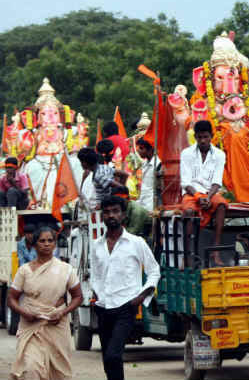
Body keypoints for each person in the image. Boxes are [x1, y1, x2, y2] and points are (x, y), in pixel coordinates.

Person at [91, 196, 160, 380]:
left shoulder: (136, 243)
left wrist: (140, 298)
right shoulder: (96, 245)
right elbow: (95, 274)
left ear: (123, 215)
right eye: (106, 212)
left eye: (115, 211)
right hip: (103, 307)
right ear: (102, 216)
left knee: (114, 354)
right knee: (109, 359)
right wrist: (96, 295)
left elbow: (154, 271)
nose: (111, 215)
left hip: (126, 308)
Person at [8, 227, 83, 380]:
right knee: (31, 369)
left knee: (58, 373)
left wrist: (63, 312)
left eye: (50, 241)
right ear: (34, 244)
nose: (46, 244)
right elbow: (11, 298)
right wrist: (25, 313)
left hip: (56, 326)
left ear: (55, 244)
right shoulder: (24, 271)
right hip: (31, 328)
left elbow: (78, 297)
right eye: (42, 241)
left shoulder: (66, 269)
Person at [180, 120, 227, 261]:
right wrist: (198, 197)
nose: (202, 140)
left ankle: (215, 251)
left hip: (210, 194)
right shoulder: (186, 153)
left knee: (221, 205)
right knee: (188, 212)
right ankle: (188, 255)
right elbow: (186, 182)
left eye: (205, 137)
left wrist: (207, 197)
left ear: (211, 136)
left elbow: (217, 182)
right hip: (191, 194)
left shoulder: (219, 154)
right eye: (199, 137)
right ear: (195, 137)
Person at [135, 138, 161, 212]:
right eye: (138, 148)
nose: (138, 151)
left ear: (150, 150)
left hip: (152, 202)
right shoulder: (145, 163)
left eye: (141, 148)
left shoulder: (158, 164)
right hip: (143, 200)